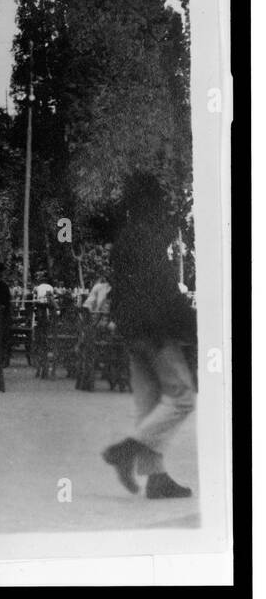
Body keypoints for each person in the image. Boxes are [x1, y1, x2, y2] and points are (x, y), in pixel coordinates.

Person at [101, 176, 197, 499]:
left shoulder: (125, 238)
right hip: (155, 331)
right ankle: (126, 450)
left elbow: (122, 292)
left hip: (132, 331)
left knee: (150, 401)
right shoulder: (148, 239)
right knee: (182, 397)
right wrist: (191, 324)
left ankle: (156, 477)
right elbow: (164, 291)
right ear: (150, 203)